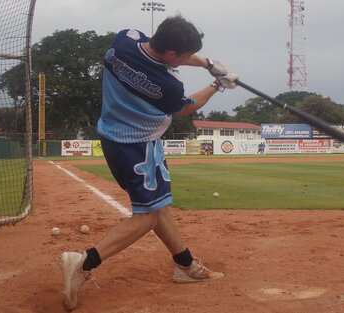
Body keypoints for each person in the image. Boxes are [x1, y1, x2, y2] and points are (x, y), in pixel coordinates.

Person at [59, 15, 238, 311]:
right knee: (148, 216)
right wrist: (217, 84)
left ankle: (185, 265)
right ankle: (83, 262)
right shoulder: (167, 84)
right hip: (138, 146)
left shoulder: (125, 39)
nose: (182, 62)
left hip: (114, 136)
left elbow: (167, 50)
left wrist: (206, 62)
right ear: (171, 55)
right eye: (181, 58)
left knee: (157, 207)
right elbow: (184, 108)